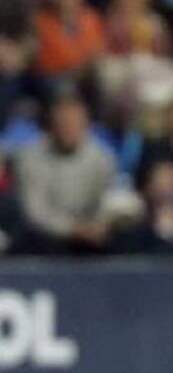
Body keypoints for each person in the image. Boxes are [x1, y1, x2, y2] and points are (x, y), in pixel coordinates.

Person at [13, 91, 115, 255]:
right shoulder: (29, 158)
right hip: (46, 238)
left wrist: (95, 226)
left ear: (86, 125)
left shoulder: (102, 159)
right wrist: (72, 229)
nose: (69, 129)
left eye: (75, 124)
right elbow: (35, 212)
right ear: (51, 126)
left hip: (91, 235)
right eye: (63, 124)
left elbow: (106, 202)